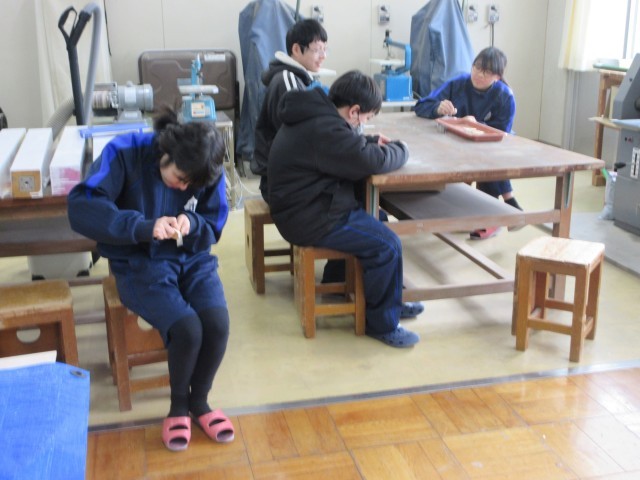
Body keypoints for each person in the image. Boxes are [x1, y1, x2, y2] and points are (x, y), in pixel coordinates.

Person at [67, 106, 234, 452]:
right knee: (187, 329)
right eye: (179, 177)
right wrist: (143, 227)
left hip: (192, 257)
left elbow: (213, 220)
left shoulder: (207, 167)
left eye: (191, 185)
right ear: (165, 153)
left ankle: (200, 402)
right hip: (138, 261)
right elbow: (82, 207)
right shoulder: (126, 151)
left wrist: (192, 223)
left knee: (217, 324)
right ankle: (178, 407)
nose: (183, 187)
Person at [268, 70, 421, 348]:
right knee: (387, 244)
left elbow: (344, 149)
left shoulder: (318, 114)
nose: (365, 124)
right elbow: (370, 162)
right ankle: (383, 323)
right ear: (354, 112)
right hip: (309, 217)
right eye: (366, 118)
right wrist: (402, 149)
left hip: (304, 206)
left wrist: (370, 141)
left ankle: (350, 285)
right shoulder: (325, 129)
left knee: (377, 218)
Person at [414, 46, 521, 240]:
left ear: (497, 77)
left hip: (489, 150)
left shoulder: (505, 96)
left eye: (486, 72)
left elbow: (501, 133)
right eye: (477, 67)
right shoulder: (458, 83)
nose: (479, 74)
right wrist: (438, 108)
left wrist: (475, 125)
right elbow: (421, 106)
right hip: (455, 145)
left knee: (490, 157)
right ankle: (508, 202)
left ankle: (490, 215)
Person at [252, 18, 328, 202]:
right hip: (283, 183)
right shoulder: (288, 81)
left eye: (325, 49)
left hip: (286, 177)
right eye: (317, 50)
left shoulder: (295, 78)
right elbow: (301, 137)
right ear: (296, 49)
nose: (323, 56)